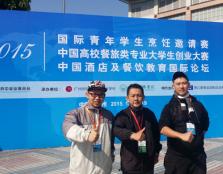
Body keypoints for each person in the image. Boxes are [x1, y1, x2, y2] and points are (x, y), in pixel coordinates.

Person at [159, 71, 210, 174]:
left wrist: (197, 139)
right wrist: (181, 135)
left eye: (184, 83)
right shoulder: (169, 107)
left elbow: (205, 124)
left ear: (189, 84)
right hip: (177, 158)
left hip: (197, 158)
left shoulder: (198, 105)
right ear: (173, 86)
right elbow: (162, 128)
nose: (182, 86)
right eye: (178, 84)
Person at [62, 80, 114, 174]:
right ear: (87, 94)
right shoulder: (76, 113)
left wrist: (111, 158)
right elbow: (68, 129)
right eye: (93, 94)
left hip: (104, 169)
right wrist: (87, 134)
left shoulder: (109, 115)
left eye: (101, 95)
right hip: (82, 170)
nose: (97, 98)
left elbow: (111, 141)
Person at [113, 83, 162, 174]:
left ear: (143, 97)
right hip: (131, 164)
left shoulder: (149, 114)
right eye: (133, 96)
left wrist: (156, 152)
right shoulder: (122, 115)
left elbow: (156, 135)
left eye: (139, 95)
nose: (136, 99)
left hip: (148, 163)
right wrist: (132, 135)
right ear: (127, 98)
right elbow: (116, 130)